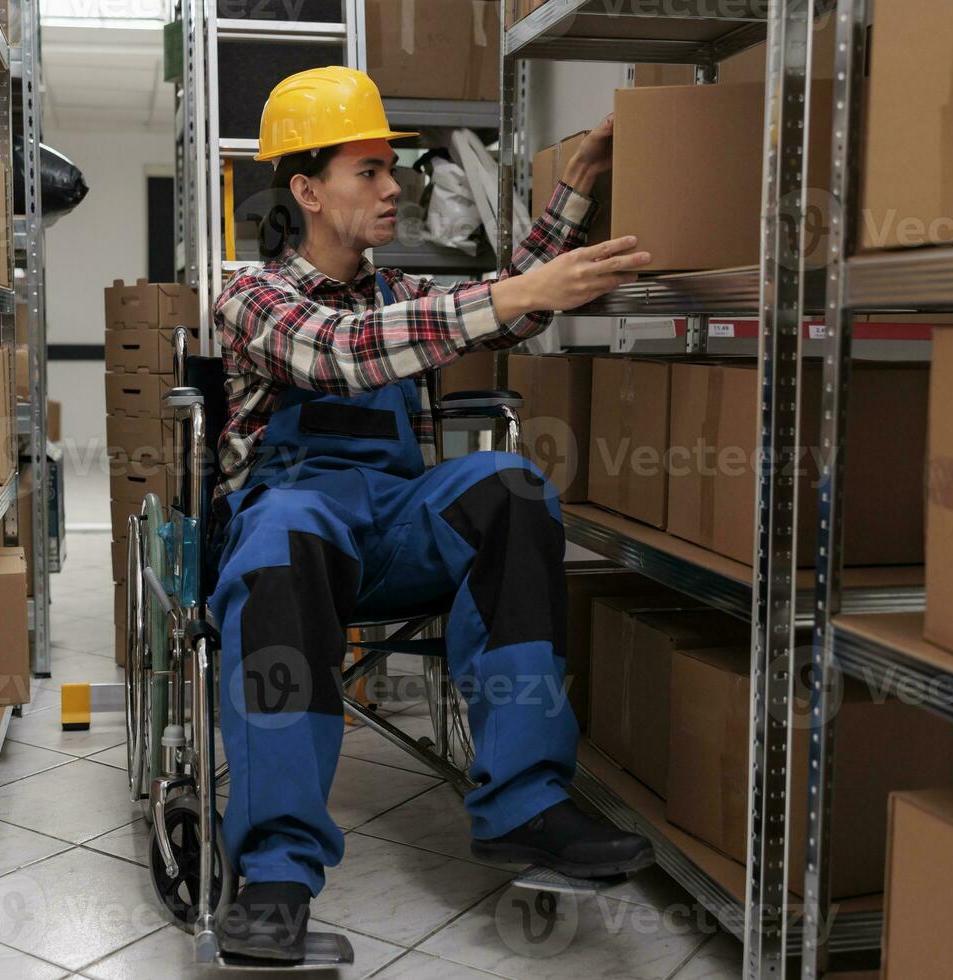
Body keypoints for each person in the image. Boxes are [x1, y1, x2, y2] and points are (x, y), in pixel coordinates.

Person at [208, 65, 654, 962]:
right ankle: (276, 875)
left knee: (513, 489)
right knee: (280, 541)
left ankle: (527, 805)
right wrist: (513, 295)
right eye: (368, 170)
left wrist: (579, 181)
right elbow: (339, 355)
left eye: (393, 167)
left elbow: (507, 313)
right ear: (306, 190)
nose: (394, 186)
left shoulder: (398, 293)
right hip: (296, 516)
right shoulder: (249, 298)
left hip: (398, 519)